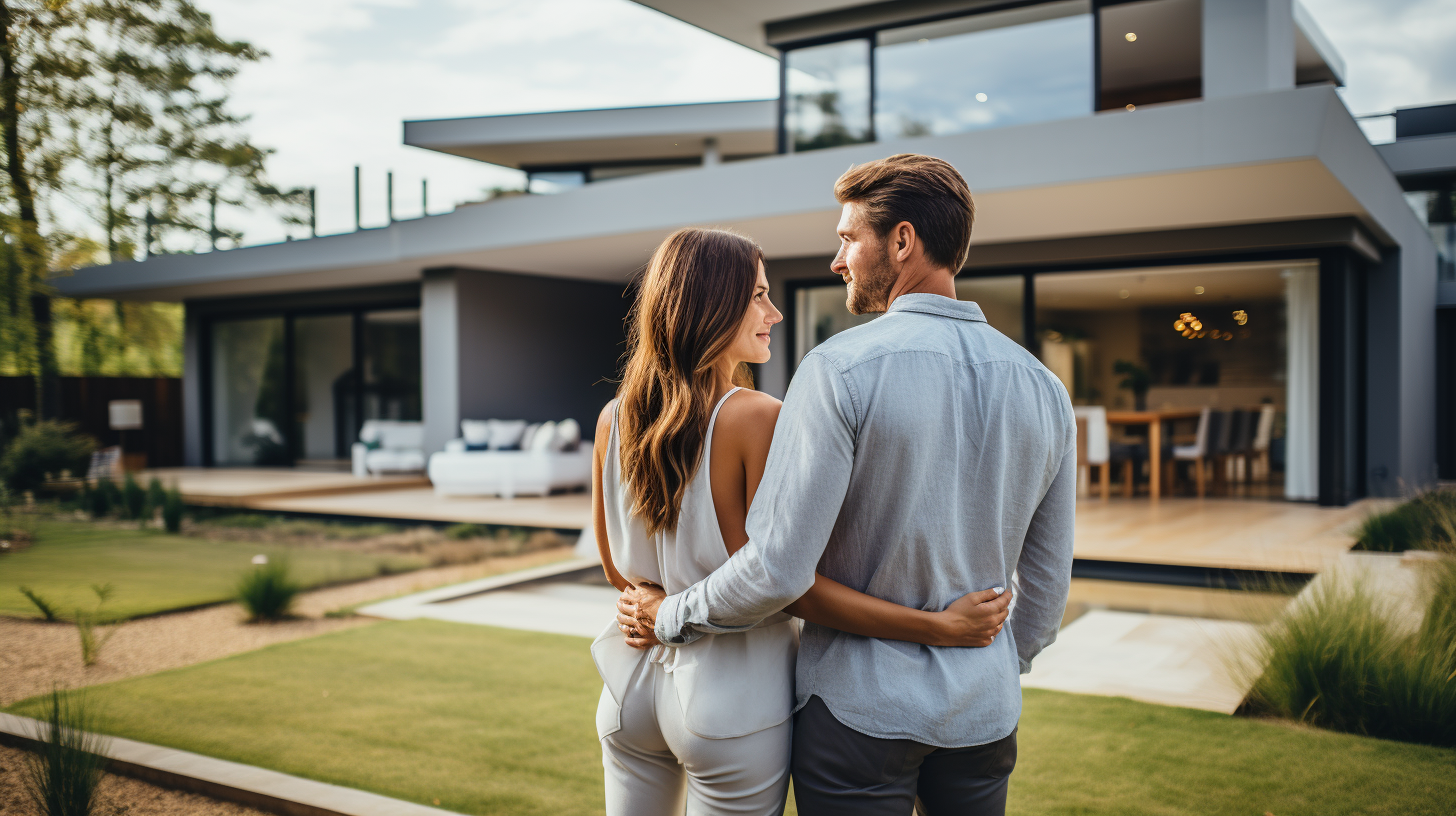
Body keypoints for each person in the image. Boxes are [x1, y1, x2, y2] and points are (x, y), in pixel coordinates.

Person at [621, 154, 1077, 816]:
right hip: (985, 716)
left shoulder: (838, 369)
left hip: (858, 718)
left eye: (847, 238)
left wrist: (670, 615)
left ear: (902, 240)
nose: (839, 261)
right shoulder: (1045, 389)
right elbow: (1048, 586)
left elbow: (779, 569)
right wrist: (996, 669)